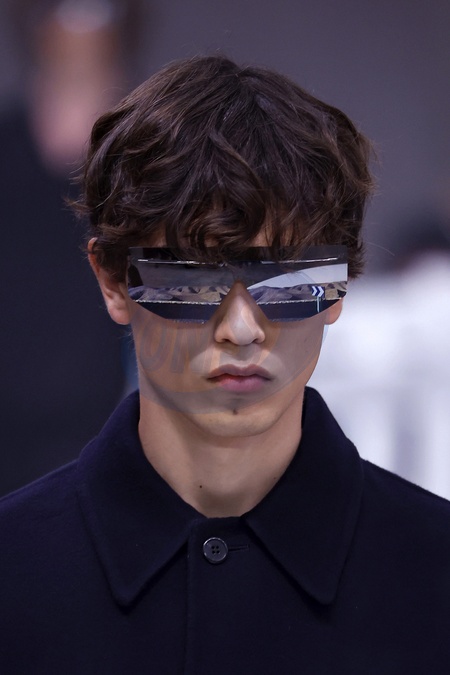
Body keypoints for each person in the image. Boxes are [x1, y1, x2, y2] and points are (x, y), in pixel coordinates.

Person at [1, 55, 450, 674]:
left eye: (287, 280)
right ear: (112, 280)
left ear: (340, 287)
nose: (241, 329)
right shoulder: (14, 579)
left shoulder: (433, 577)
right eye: (195, 279)